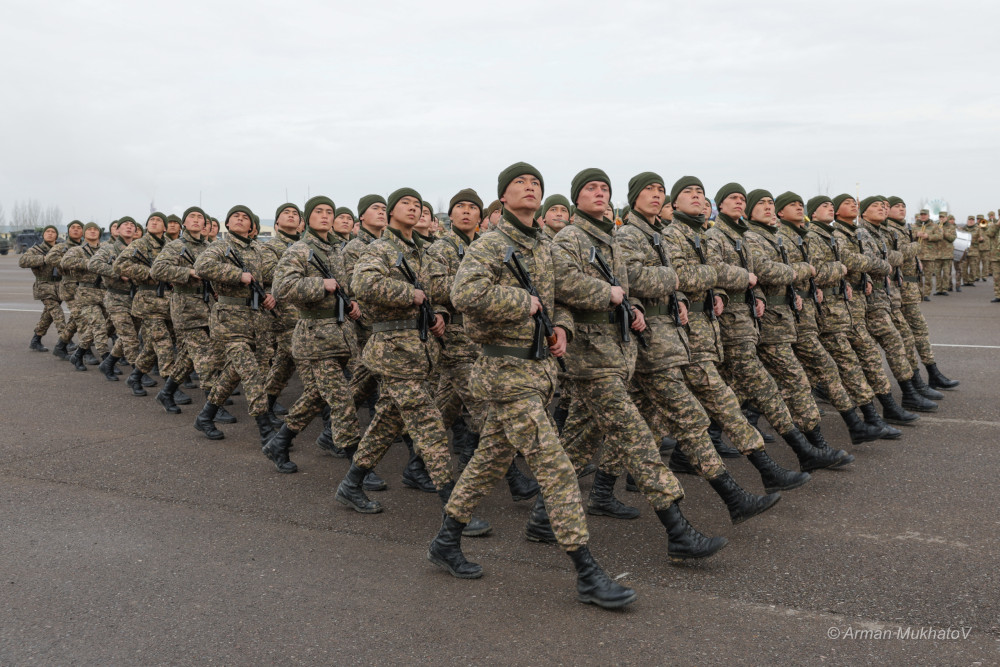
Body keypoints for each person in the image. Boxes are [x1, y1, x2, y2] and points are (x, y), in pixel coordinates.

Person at [430, 162, 636, 609]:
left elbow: (558, 300)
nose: (530, 187)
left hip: (538, 372)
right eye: (520, 183)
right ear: (503, 198)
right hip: (505, 375)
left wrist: (562, 328)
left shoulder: (542, 244)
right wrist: (520, 300)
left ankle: (445, 542)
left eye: (536, 183)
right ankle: (587, 572)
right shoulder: (491, 243)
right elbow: (465, 295)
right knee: (557, 469)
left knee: (487, 461)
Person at [552, 168, 728, 559]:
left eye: (604, 188)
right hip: (590, 356)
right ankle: (678, 531)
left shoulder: (608, 239)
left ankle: (539, 519)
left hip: (617, 352)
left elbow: (625, 286)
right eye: (590, 189)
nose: (598, 193)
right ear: (575, 198)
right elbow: (561, 284)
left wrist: (629, 304)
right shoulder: (569, 239)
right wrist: (611, 294)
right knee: (636, 439)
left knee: (579, 443)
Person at [622, 173, 780, 524]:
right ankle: (733, 495)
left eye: (658, 189)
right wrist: (682, 281)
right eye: (651, 190)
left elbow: (686, 277)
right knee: (690, 417)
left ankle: (593, 494)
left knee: (641, 424)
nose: (655, 194)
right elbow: (635, 278)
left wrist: (705, 290)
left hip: (675, 339)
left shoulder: (658, 235)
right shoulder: (630, 235)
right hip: (653, 343)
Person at [334, 187, 491, 537]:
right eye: (405, 203)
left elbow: (435, 295)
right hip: (393, 349)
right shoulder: (382, 248)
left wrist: (440, 313)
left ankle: (351, 483)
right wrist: (410, 294)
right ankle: (455, 509)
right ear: (391, 212)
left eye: (417, 204)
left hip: (418, 349)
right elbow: (363, 282)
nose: (413, 208)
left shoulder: (420, 250)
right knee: (430, 423)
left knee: (386, 422)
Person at [425, 187, 540, 500]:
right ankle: (514, 480)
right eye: (459, 207)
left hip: (483, 342)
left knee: (445, 408)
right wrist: (476, 282)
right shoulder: (442, 248)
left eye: (472, 208)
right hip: (455, 339)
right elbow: (435, 286)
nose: (466, 212)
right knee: (484, 410)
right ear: (451, 215)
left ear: (481, 215)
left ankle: (419, 461)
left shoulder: (487, 245)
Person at [773, 191, 885, 444]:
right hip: (792, 315)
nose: (798, 207)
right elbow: (807, 272)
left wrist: (840, 278)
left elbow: (814, 272)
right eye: (793, 205)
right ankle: (832, 436)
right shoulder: (791, 237)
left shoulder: (806, 236)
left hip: (814, 311)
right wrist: (838, 271)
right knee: (816, 370)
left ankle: (859, 423)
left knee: (824, 368)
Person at [267, 196, 365, 474]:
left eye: (329, 212)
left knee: (316, 396)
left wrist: (352, 301)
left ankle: (280, 442)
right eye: (318, 211)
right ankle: (357, 470)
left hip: (341, 334)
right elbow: (282, 288)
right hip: (315, 337)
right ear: (306, 218)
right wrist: (320, 284)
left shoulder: (337, 248)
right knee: (342, 401)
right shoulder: (299, 249)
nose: (325, 215)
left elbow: (345, 285)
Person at [803, 196, 900, 438]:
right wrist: (843, 271)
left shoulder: (829, 234)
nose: (830, 208)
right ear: (812, 213)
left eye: (830, 205)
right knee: (838, 365)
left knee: (848, 361)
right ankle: (867, 419)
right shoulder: (814, 235)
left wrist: (853, 277)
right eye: (824, 206)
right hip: (825, 312)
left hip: (841, 308)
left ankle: (872, 417)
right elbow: (822, 270)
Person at [830, 195, 924, 423]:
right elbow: (857, 260)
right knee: (853, 358)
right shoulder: (845, 234)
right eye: (876, 206)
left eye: (884, 206)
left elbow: (874, 259)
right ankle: (888, 405)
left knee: (884, 347)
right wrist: (878, 266)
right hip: (848, 306)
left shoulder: (863, 233)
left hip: (871, 299)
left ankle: (904, 395)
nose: (882, 209)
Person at [192, 205, 278, 445]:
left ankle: (206, 415)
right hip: (229, 319)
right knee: (250, 372)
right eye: (235, 217)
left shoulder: (258, 249)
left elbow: (270, 277)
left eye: (245, 217)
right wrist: (235, 274)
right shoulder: (220, 246)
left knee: (234, 372)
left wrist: (271, 294)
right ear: (227, 224)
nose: (240, 220)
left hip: (255, 318)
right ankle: (266, 431)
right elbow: (201, 267)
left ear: (252, 226)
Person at [149, 206, 219, 414]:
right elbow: (157, 270)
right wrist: (187, 272)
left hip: (208, 306)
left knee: (189, 357)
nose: (196, 220)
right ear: (184, 223)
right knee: (205, 356)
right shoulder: (176, 246)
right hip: (186, 308)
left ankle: (167, 392)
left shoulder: (210, 246)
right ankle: (212, 406)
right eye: (192, 217)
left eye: (200, 218)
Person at [114, 213, 176, 396]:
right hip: (148, 302)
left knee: (151, 345)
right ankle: (169, 388)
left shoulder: (171, 246)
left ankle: (135, 376)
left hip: (169, 302)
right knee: (164, 344)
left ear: (164, 227)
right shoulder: (140, 244)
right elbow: (119, 265)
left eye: (158, 221)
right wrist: (150, 272)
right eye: (151, 221)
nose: (154, 223)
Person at [260, 203, 303, 424]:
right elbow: (266, 272)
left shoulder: (306, 246)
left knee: (284, 365)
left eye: (295, 213)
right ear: (276, 223)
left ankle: (265, 404)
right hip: (284, 314)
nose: (291, 216)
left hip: (304, 315)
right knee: (308, 368)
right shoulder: (271, 247)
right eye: (286, 213)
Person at [90, 217, 143, 383]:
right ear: (117, 230)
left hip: (135, 299)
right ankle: (138, 375)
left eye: (132, 225)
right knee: (130, 339)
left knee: (128, 336)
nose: (129, 227)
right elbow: (93, 264)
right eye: (125, 225)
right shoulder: (109, 249)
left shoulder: (138, 249)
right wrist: (118, 273)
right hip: (116, 298)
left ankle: (108, 363)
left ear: (136, 232)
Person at [61, 222, 109, 371]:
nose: (93, 232)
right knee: (99, 325)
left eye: (95, 229)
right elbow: (65, 262)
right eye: (89, 229)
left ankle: (78, 353)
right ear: (84, 233)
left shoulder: (106, 249)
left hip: (105, 293)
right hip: (86, 294)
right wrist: (91, 263)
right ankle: (107, 360)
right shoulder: (77, 250)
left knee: (103, 326)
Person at [19, 225, 66, 352]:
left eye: (53, 232)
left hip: (59, 286)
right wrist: (44, 259)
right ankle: (66, 340)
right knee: (57, 313)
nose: (50, 234)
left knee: (48, 316)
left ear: (56, 235)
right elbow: (22, 261)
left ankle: (36, 339)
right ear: (43, 235)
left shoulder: (61, 248)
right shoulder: (37, 249)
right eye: (47, 232)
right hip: (44, 286)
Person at [47, 220, 85, 359]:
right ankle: (85, 352)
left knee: (75, 320)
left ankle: (60, 346)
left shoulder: (86, 247)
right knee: (81, 318)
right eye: (73, 228)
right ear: (68, 231)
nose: (75, 230)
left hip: (84, 288)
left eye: (79, 228)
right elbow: (50, 258)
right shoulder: (62, 247)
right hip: (69, 287)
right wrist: (68, 264)